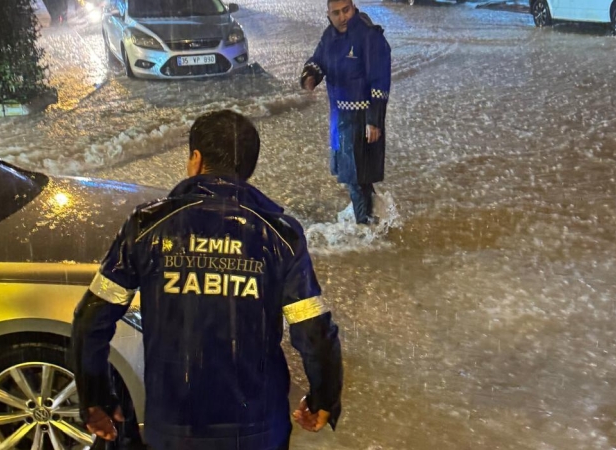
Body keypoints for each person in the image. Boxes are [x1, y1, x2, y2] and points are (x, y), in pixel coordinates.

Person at [71, 110, 343, 450]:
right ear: (247, 170)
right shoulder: (281, 235)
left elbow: (89, 320)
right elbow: (315, 332)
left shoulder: (147, 226)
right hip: (258, 426)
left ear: (196, 160)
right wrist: (323, 397)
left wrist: (94, 396)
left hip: (174, 423)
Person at [301, 0, 392, 225]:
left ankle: (364, 228)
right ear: (328, 15)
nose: (343, 17)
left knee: (355, 178)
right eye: (337, 13)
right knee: (356, 178)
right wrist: (310, 75)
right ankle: (375, 220)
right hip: (339, 119)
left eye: (346, 10)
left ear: (353, 8)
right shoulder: (329, 36)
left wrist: (374, 121)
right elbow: (318, 60)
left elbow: (379, 83)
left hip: (362, 121)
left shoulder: (370, 37)